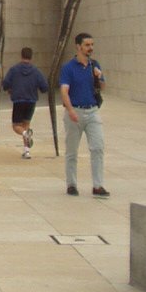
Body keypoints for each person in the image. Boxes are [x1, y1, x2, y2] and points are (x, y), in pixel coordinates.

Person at [60, 32, 109, 197]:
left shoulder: (94, 65)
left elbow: (102, 88)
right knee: (72, 151)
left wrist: (99, 77)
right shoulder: (68, 68)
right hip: (75, 111)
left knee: (97, 147)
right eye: (87, 45)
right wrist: (71, 110)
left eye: (92, 45)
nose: (90, 48)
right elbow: (64, 91)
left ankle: (98, 185)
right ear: (78, 46)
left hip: (92, 111)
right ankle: (71, 184)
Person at [2, 47, 48, 158]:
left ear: (21, 55)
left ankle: (25, 134)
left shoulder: (14, 69)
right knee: (26, 124)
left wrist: (10, 89)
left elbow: (5, 83)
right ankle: (27, 151)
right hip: (31, 100)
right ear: (31, 56)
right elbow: (44, 87)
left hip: (18, 100)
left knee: (16, 126)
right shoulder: (36, 71)